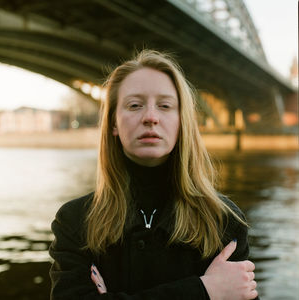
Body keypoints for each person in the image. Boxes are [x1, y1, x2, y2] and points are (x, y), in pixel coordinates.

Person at [49, 49, 259, 300]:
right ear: (114, 123)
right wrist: (203, 290)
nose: (150, 117)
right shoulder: (75, 221)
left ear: (182, 122)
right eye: (135, 105)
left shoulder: (223, 220)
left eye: (165, 106)